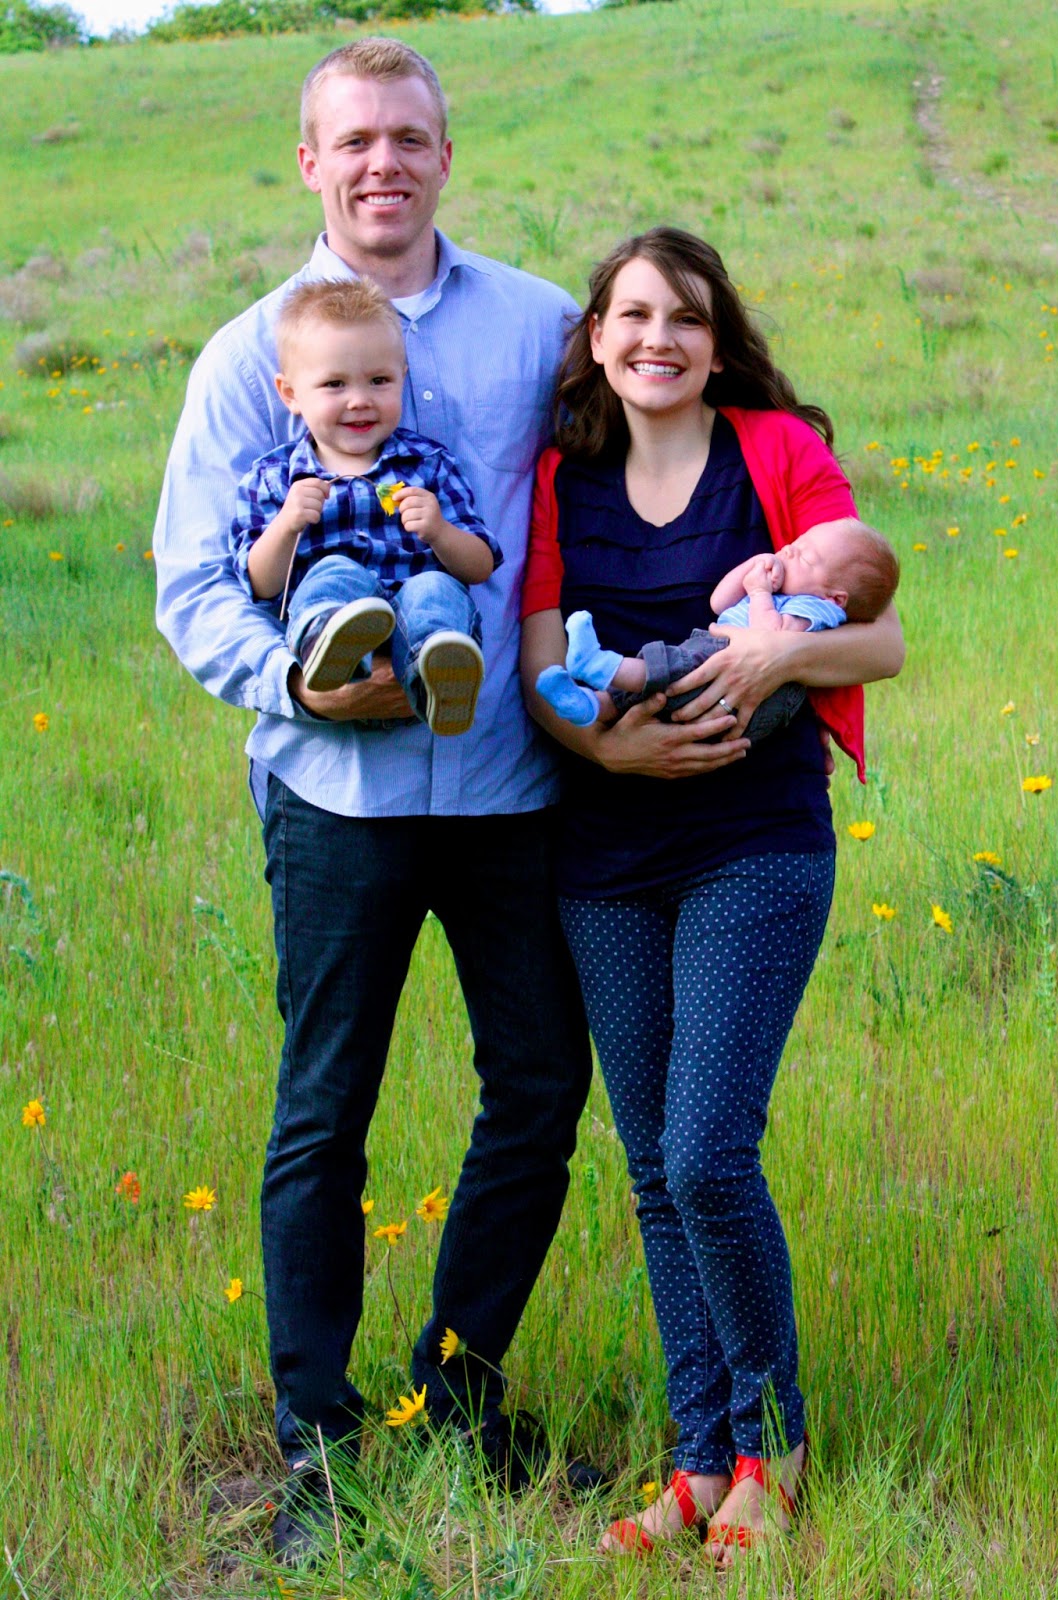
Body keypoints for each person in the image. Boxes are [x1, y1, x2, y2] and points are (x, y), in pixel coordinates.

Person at [154, 37, 597, 1567]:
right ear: (308, 160)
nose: (381, 163)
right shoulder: (248, 355)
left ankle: (459, 1396)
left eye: (407, 136)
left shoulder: (540, 325)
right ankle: (316, 1443)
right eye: (352, 140)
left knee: (536, 1088)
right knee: (322, 1111)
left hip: (508, 786)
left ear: (443, 154)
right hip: (332, 796)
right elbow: (194, 589)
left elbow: (628, 482)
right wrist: (301, 690)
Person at [520, 227, 904, 1564]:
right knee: (650, 1169)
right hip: (604, 859)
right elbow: (537, 666)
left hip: (752, 840)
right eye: (632, 316)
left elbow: (879, 634)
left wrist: (770, 664)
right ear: (595, 338)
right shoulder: (558, 477)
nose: (657, 339)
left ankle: (771, 1449)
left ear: (715, 336)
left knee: (704, 1152)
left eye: (683, 317)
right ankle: (695, 1465)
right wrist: (607, 749)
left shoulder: (774, 450)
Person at [232, 278, 501, 734]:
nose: (359, 400)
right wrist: (287, 525)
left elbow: (480, 566)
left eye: (379, 381)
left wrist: (439, 530)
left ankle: (440, 676)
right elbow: (260, 584)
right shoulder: (276, 478)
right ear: (290, 393)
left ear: (402, 378)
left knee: (435, 589)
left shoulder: (427, 465)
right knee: (334, 573)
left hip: (416, 615)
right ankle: (331, 645)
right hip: (335, 609)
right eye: (334, 384)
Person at [536, 517, 899, 728]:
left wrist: (760, 592)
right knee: (658, 682)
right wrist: (755, 567)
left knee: (669, 668)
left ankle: (598, 664)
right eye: (798, 542)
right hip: (714, 653)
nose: (790, 550)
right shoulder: (785, 586)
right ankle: (590, 705)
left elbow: (770, 639)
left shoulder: (816, 610)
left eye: (806, 557)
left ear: (836, 597)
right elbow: (719, 602)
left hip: (735, 678)